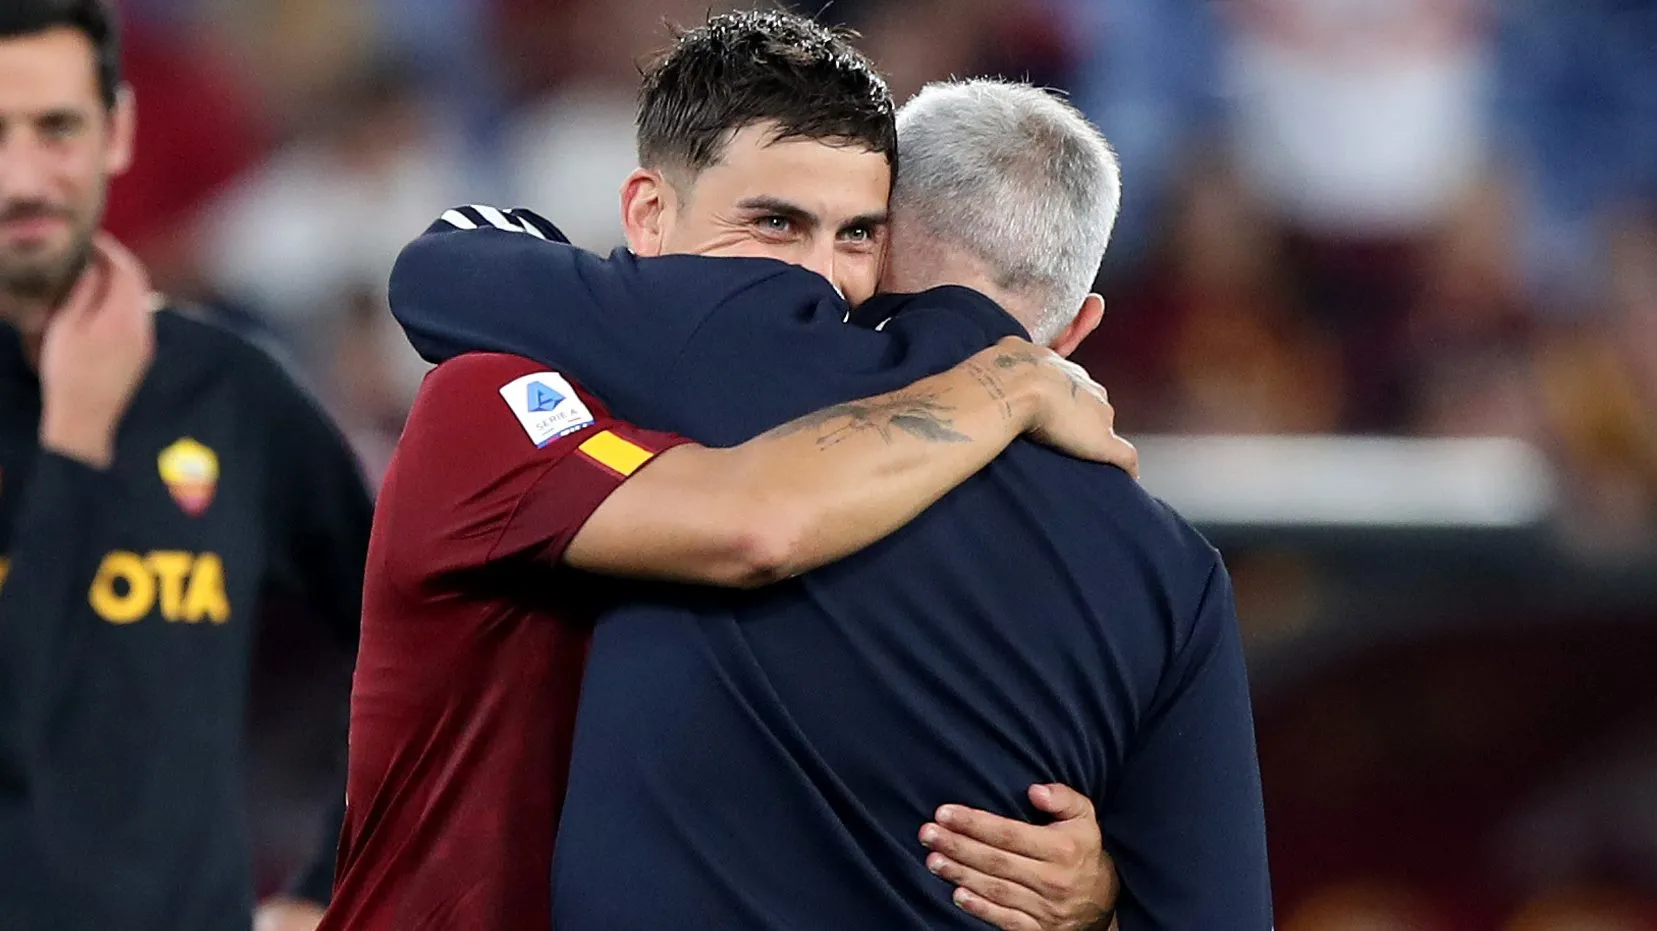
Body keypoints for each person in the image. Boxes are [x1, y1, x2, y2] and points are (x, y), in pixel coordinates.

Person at [387, 20, 1272, 931]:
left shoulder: (720, 351)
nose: (813, 272)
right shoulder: (1174, 574)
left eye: (848, 235)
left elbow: (444, 270)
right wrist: (1106, 899)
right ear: (1078, 329)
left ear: (881, 245)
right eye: (781, 225)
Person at [0, 2, 365, 929]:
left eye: (56, 128)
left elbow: (419, 644)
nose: (23, 178)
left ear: (117, 131)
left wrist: (330, 883)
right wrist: (77, 440)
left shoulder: (228, 393)